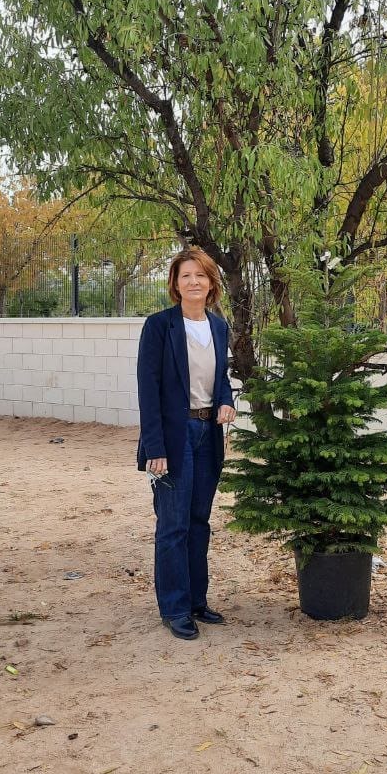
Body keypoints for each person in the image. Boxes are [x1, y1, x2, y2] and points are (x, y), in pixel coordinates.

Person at [137, 247, 236, 640]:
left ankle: (196, 601)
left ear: (211, 282)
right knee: (173, 525)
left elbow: (221, 377)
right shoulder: (159, 326)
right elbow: (148, 390)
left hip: (208, 433)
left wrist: (226, 401)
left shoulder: (218, 327)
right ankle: (175, 609)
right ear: (175, 284)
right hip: (173, 438)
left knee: (199, 522)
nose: (194, 282)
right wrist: (155, 448)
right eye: (186, 276)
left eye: (201, 275)